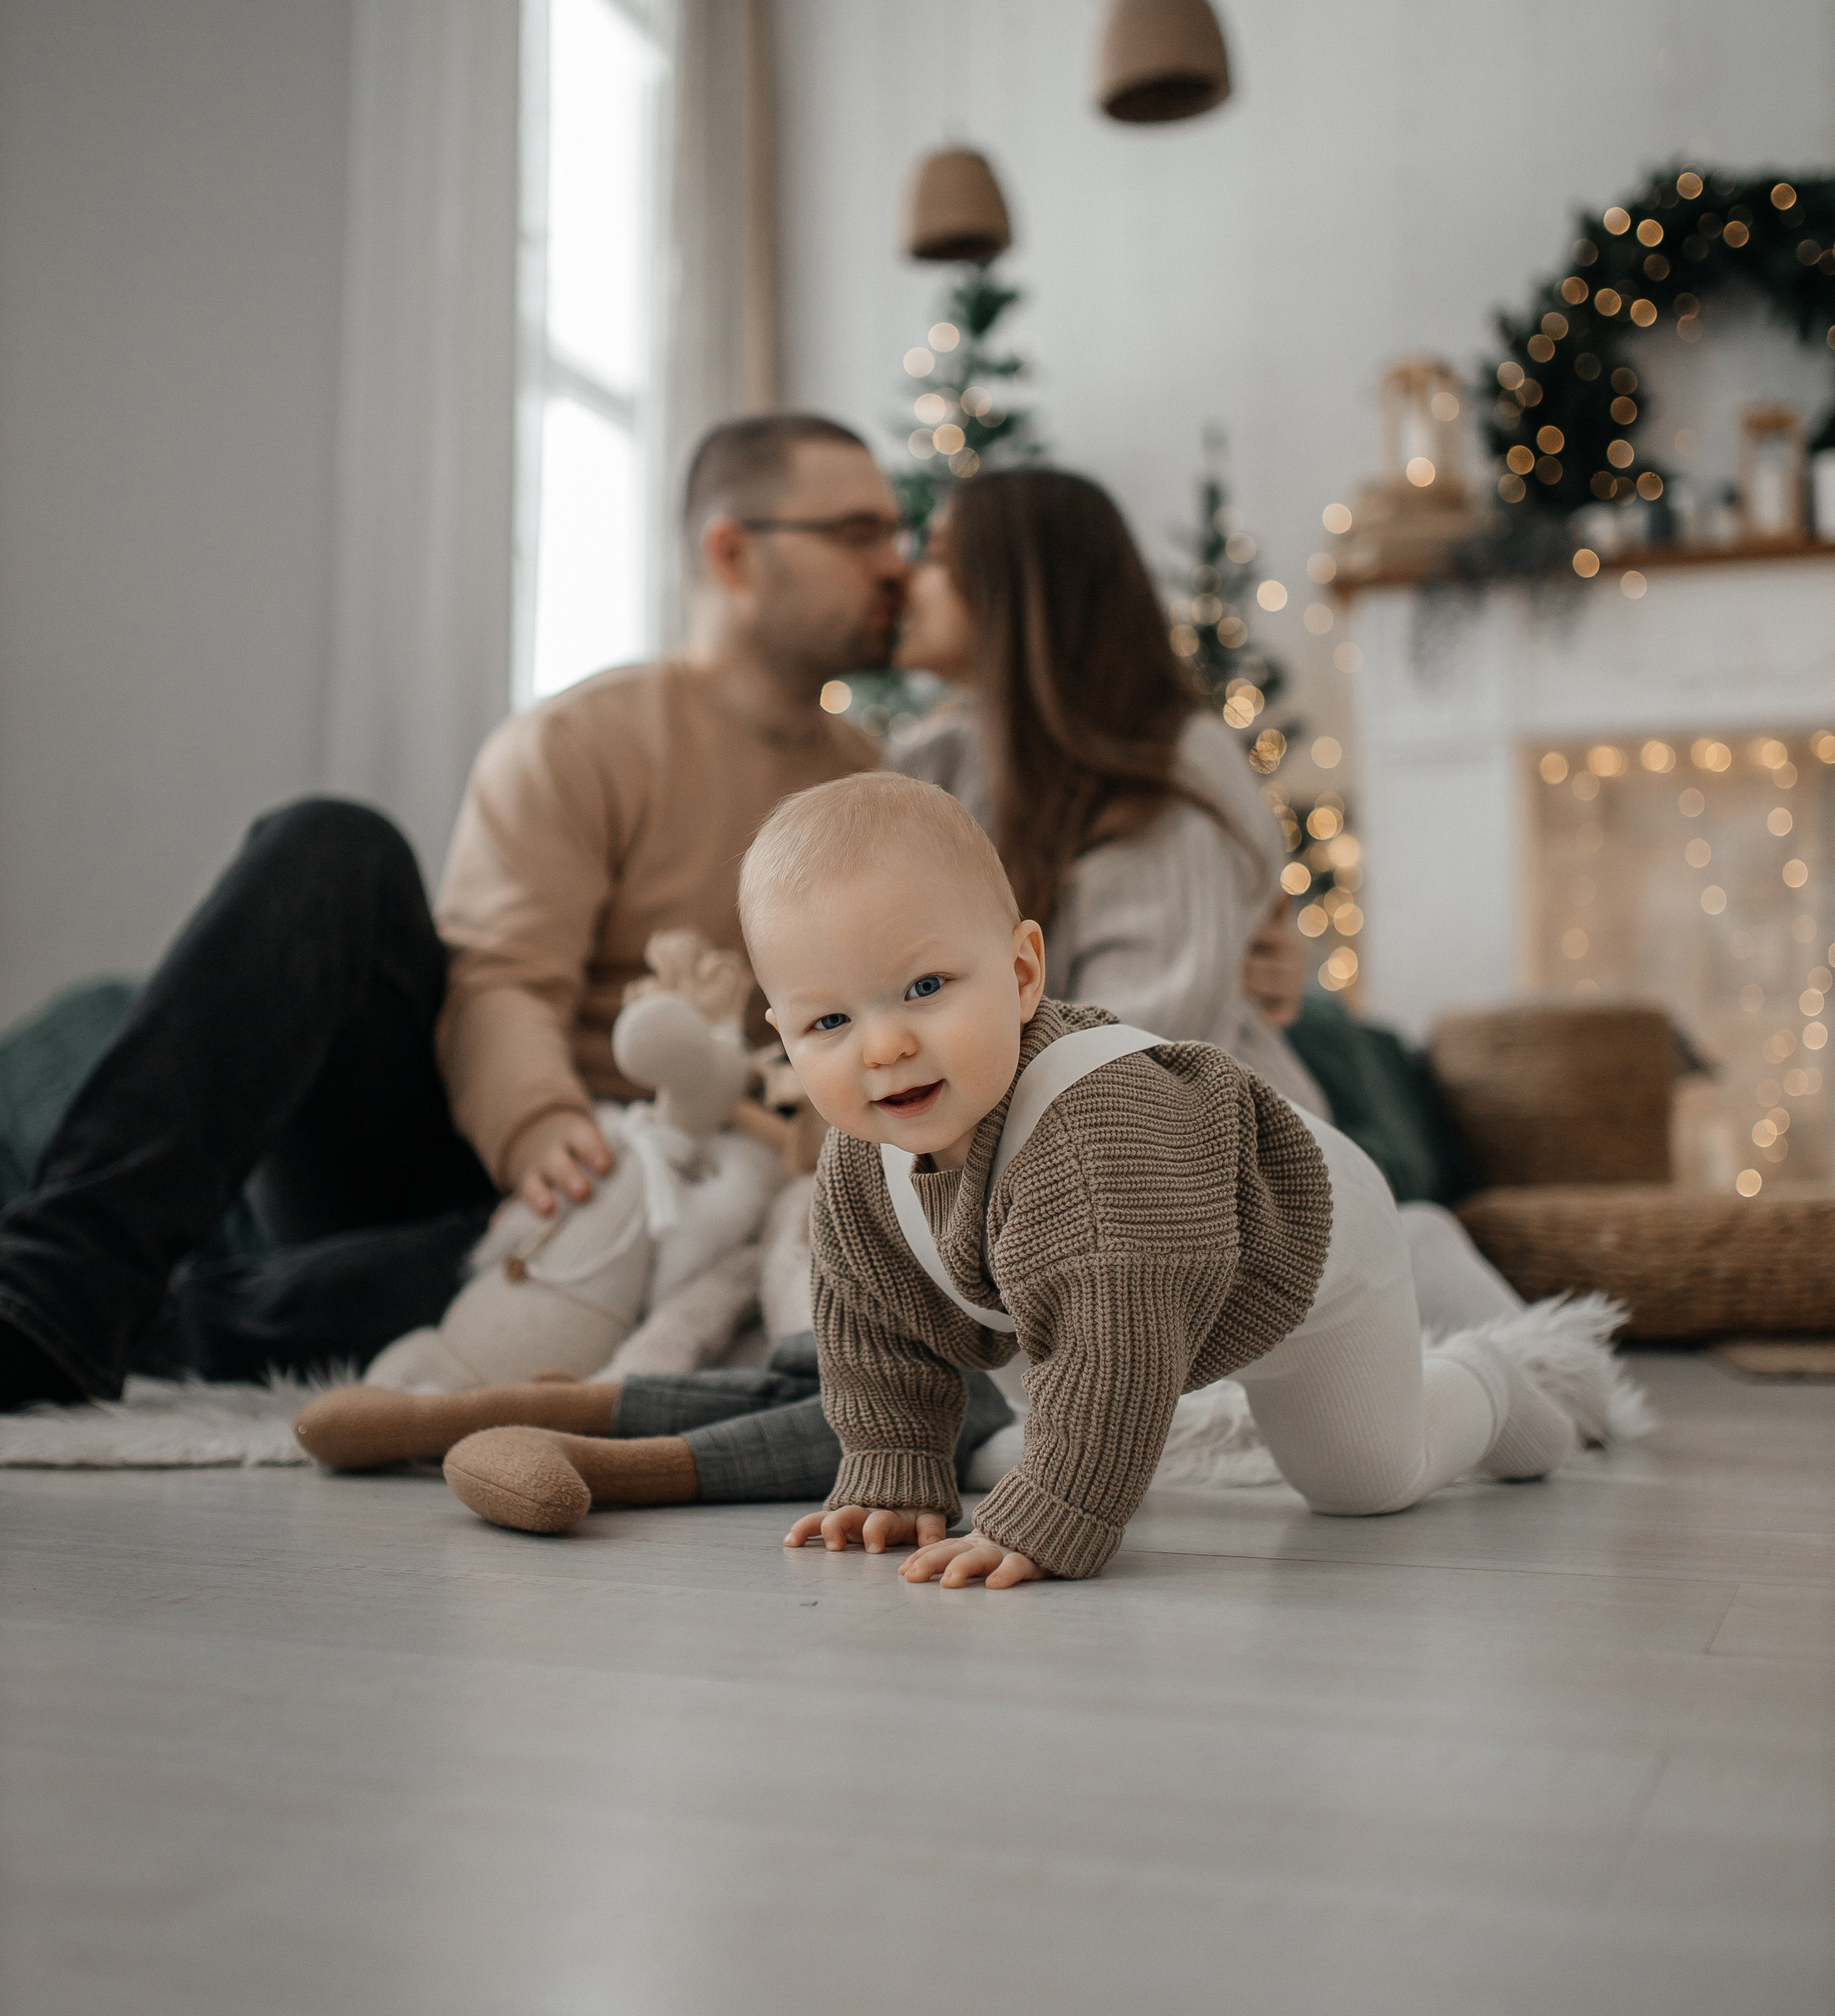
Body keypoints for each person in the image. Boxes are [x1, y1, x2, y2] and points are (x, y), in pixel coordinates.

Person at [0, 413, 907, 1413]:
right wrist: (540, 1129)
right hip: (497, 1172)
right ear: (733, 552)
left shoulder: (881, 792)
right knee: (331, 845)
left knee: (309, 1326)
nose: (896, 563)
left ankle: (182, 1322)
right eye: (859, 533)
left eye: (896, 534)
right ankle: (49, 1298)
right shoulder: (584, 739)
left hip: (684, 1222)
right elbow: (500, 977)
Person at [748, 772, 1615, 1588]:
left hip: (1303, 1249)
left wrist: (1051, 1514)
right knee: (1039, 1378)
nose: (884, 1047)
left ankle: (1489, 1383)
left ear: (1021, 975)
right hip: (1131, 1287)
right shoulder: (858, 1162)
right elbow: (874, 1320)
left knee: (1366, 1481)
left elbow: (1115, 1351)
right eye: (829, 1020)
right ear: (782, 1035)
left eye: (925, 986)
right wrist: (893, 1468)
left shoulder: (1095, 1139)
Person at [887, 465, 1520, 1332]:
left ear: (1017, 587)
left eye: (936, 555)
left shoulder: (1167, 763)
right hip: (1036, 1159)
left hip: (1194, 1164)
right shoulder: (934, 762)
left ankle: (1422, 1288)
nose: (904, 578)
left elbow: (1137, 1045)